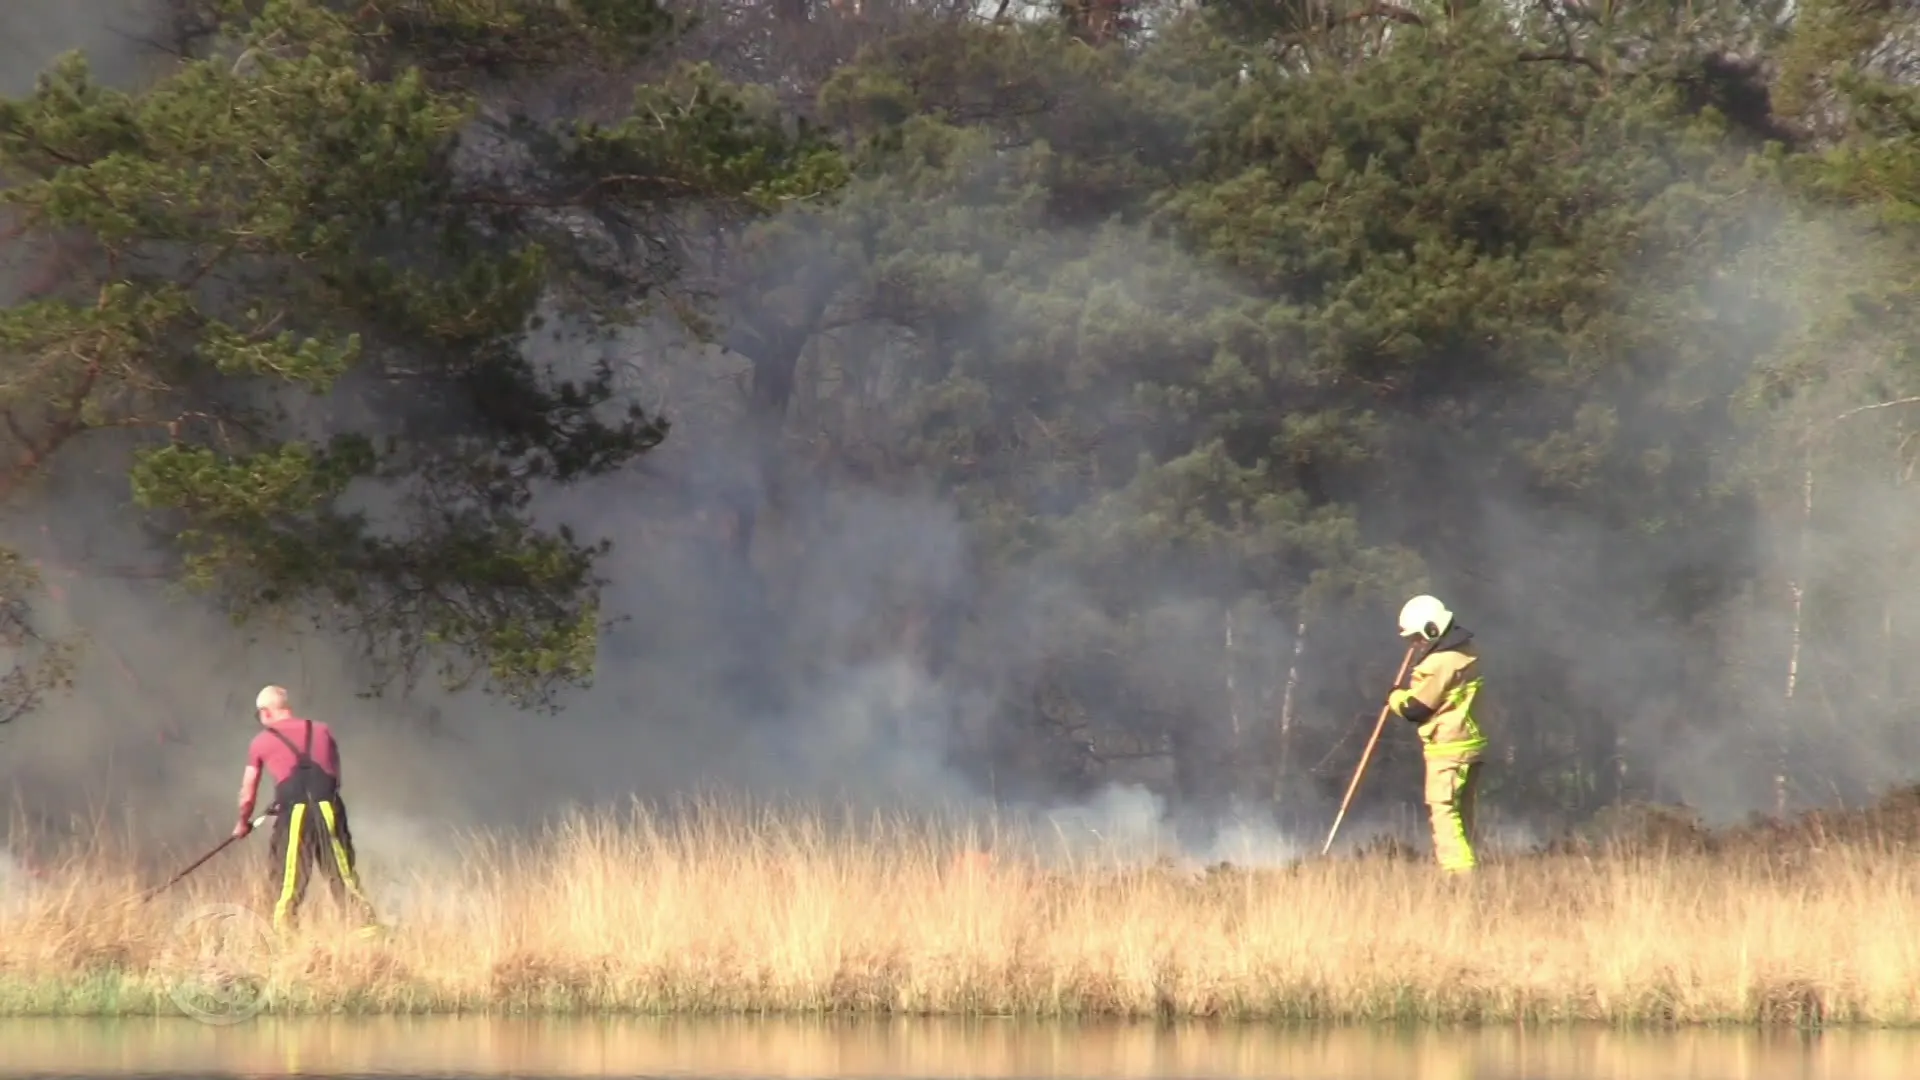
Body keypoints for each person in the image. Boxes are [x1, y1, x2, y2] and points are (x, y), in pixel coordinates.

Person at [233, 685, 381, 932]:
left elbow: (248, 791)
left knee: (288, 880)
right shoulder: (322, 731)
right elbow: (336, 776)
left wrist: (242, 822)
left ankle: (284, 938)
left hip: (294, 813)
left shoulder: (261, 741)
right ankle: (367, 932)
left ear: (265, 712)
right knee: (343, 873)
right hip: (329, 808)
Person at [1384, 595, 1489, 874]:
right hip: (1472, 744)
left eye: (1417, 637)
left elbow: (1415, 708)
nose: (1415, 644)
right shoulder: (1468, 650)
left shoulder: (1438, 664)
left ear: (1432, 629)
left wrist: (1395, 697)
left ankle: (1460, 877)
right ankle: (1473, 866)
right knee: (1463, 814)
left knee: (1444, 810)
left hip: (1449, 749)